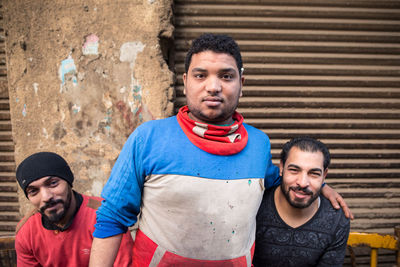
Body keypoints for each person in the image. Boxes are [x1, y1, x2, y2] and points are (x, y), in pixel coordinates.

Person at [89, 33, 351, 267]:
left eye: (226, 76)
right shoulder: (149, 138)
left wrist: (321, 186)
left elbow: (276, 177)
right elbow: (112, 217)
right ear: (185, 81)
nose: (213, 86)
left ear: (242, 83)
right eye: (200, 75)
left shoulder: (258, 144)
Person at [14, 152, 134, 267]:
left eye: (53, 183)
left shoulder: (107, 216)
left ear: (69, 181)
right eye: (33, 191)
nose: (46, 197)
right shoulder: (27, 232)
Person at [253, 137, 350, 267]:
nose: (303, 183)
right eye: (294, 170)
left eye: (314, 173)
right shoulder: (254, 206)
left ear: (324, 175)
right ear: (281, 168)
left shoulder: (337, 221)